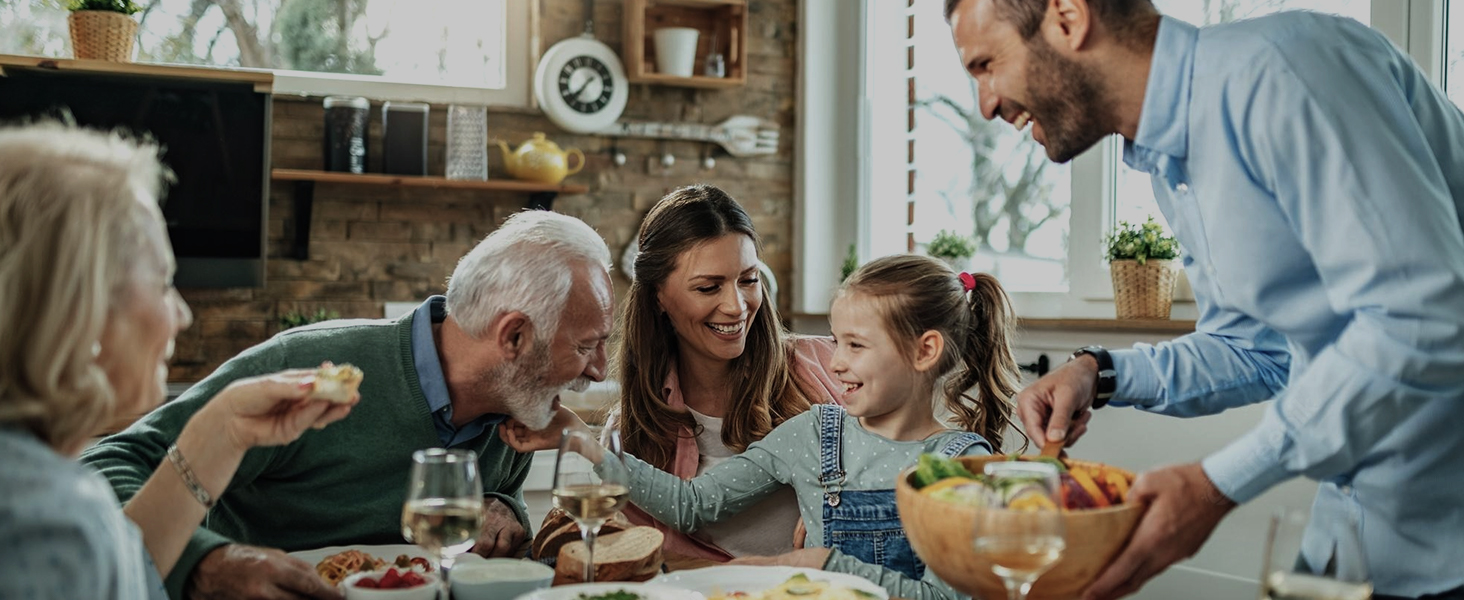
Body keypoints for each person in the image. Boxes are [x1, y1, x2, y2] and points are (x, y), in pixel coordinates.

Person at [942, 0, 1464, 598]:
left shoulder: (1284, 70)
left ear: (1067, 17)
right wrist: (1099, 372)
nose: (985, 104)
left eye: (985, 64)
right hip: (1354, 541)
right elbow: (1259, 350)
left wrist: (1217, 484)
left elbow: (1422, 318)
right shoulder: (1173, 159)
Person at [82, 208, 615, 599]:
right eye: (587, 346)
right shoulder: (310, 365)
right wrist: (205, 563)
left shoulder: (520, 408)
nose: (599, 370)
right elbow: (103, 469)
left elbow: (487, 518)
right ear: (514, 337)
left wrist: (507, 510)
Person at [508, 254, 1024, 600]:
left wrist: (823, 562)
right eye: (836, 341)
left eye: (856, 346)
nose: (836, 362)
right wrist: (585, 444)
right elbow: (693, 505)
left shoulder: (960, 465)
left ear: (925, 350)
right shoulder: (814, 434)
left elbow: (946, 597)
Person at [0, 123, 357, 599]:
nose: (182, 315)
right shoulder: (49, 521)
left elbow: (128, 567)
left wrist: (225, 428)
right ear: (78, 310)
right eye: (165, 282)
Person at [607, 184, 842, 561]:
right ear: (658, 297)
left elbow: (902, 460)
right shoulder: (631, 434)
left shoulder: (830, 366)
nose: (736, 306)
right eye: (708, 287)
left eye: (748, 280)